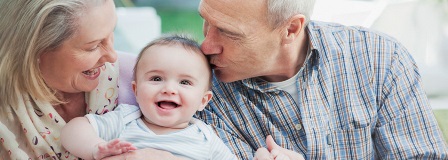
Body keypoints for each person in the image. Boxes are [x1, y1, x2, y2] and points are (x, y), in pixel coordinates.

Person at [195, 0, 448, 159]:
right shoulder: (199, 94)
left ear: (291, 29)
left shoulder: (380, 59)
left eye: (228, 33)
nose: (206, 46)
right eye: (206, 22)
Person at [0, 0, 173, 159]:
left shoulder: (146, 79)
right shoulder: (6, 109)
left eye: (111, 34)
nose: (112, 57)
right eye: (93, 46)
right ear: (33, 51)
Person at [61, 35, 237, 160]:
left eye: (184, 82)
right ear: (136, 90)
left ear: (203, 101)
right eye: (156, 79)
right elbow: (72, 130)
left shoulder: (206, 138)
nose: (169, 89)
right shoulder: (125, 119)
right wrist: (95, 148)